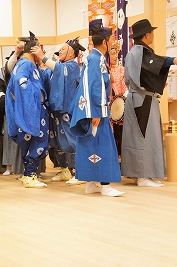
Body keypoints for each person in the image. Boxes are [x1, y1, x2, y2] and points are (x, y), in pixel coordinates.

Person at [69, 19, 124, 197]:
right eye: (112, 39)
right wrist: (97, 111)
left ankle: (91, 183)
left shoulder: (95, 58)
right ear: (105, 41)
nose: (114, 42)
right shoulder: (95, 59)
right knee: (104, 146)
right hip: (96, 109)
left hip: (94, 108)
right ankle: (105, 185)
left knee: (91, 145)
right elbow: (94, 86)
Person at [122, 19, 177, 187]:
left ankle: (145, 174)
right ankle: (143, 176)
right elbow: (153, 63)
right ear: (146, 35)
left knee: (145, 136)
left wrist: (157, 83)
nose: (153, 35)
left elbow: (147, 72)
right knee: (142, 137)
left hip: (142, 98)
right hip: (141, 99)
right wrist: (173, 60)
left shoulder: (138, 52)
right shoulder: (139, 52)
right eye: (151, 32)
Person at [32, 38, 86, 184]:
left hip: (67, 109)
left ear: (71, 53)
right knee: (56, 141)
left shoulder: (72, 66)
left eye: (63, 49)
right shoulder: (58, 67)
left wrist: (42, 56)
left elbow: (60, 69)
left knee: (72, 139)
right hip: (55, 108)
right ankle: (64, 169)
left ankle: (80, 172)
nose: (60, 51)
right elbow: (46, 74)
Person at [5, 32, 49, 188]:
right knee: (36, 142)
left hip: (31, 108)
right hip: (33, 110)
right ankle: (30, 176)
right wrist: (35, 95)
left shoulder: (24, 64)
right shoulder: (26, 64)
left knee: (31, 143)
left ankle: (28, 174)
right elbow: (20, 82)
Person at [109, 44, 128, 157]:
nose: (115, 56)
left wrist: (121, 99)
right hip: (108, 103)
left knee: (120, 131)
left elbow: (125, 86)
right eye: (112, 54)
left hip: (119, 103)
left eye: (116, 54)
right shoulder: (104, 69)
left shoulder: (122, 70)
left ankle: (121, 155)